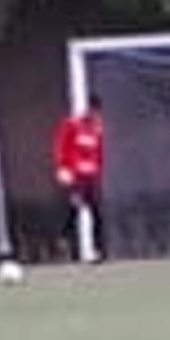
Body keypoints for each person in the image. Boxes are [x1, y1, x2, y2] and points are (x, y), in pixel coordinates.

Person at [53, 97, 107, 263]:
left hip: (90, 179)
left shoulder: (97, 129)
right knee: (75, 209)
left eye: (98, 113)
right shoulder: (72, 124)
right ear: (88, 110)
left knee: (96, 213)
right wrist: (62, 167)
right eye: (94, 111)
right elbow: (60, 145)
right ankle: (64, 242)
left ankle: (98, 251)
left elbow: (99, 153)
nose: (97, 115)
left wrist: (98, 172)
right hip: (76, 178)